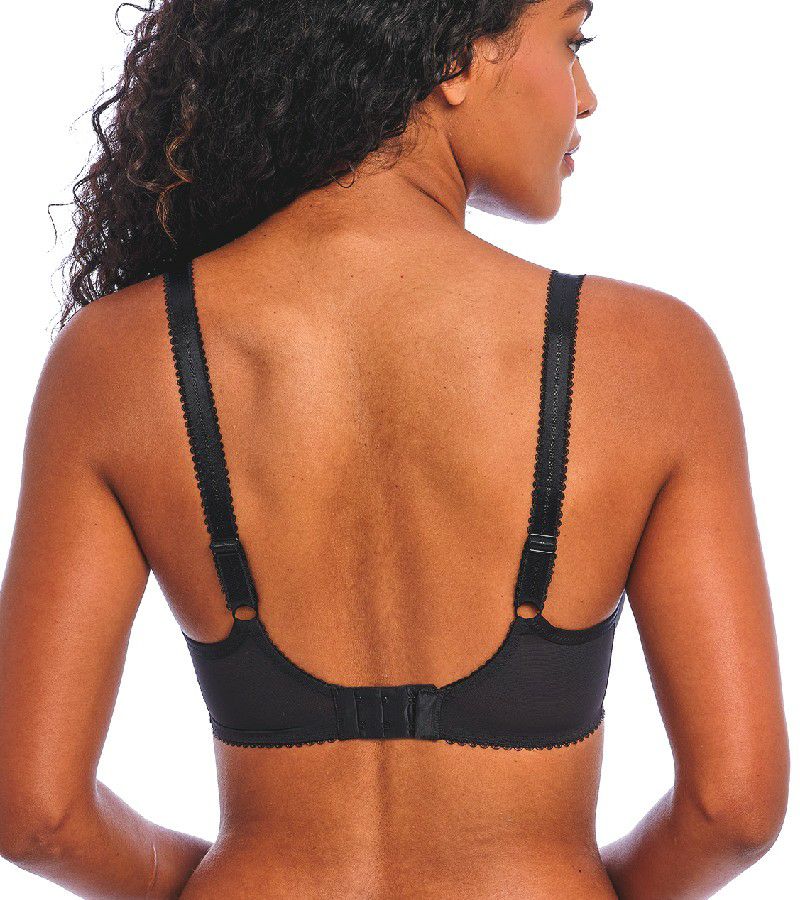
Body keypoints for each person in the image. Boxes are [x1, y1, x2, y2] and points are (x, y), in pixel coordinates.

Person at [0, 0, 789, 897]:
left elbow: (36, 813)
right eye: (572, 40)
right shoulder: (649, 360)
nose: (587, 95)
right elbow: (734, 808)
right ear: (455, 58)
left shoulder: (119, 359)